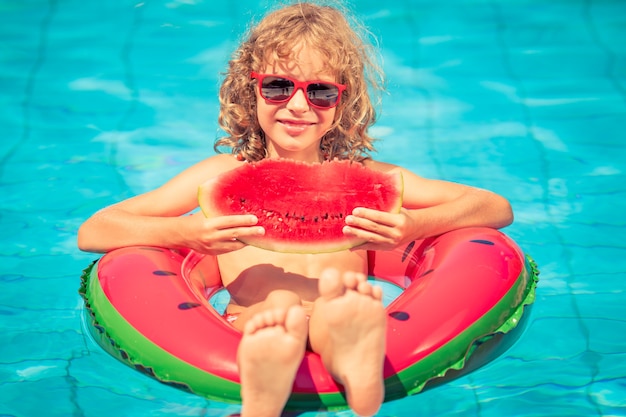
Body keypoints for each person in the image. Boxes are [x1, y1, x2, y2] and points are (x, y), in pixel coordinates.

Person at [78, 2, 513, 416]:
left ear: (342, 102)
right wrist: (185, 235)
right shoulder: (218, 174)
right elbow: (95, 230)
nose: (298, 105)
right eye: (278, 86)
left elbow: (495, 206)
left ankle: (353, 364)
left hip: (334, 315)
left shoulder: (366, 176)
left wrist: (414, 224)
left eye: (320, 91)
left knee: (334, 309)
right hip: (254, 321)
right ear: (251, 89)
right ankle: (282, 381)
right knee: (280, 310)